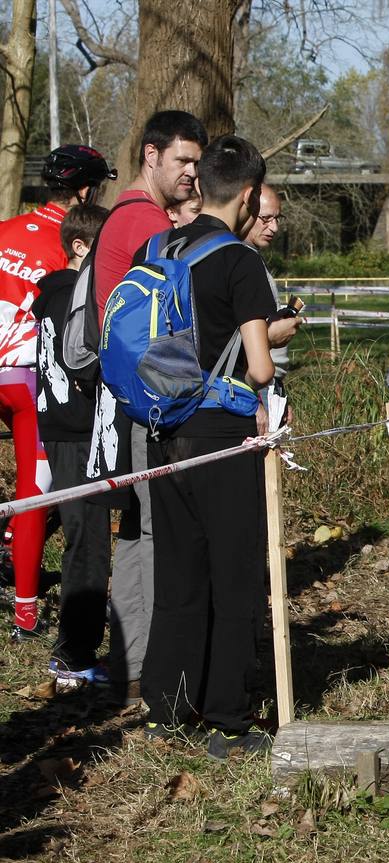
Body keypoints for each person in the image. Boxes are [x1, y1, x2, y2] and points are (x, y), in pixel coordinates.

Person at [137, 135, 277, 758]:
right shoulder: (239, 262)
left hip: (163, 427)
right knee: (234, 574)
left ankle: (167, 707)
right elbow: (261, 367)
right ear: (248, 195)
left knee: (180, 571)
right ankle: (226, 715)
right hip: (222, 435)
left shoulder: (161, 244)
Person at [89, 110, 207, 699]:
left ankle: (131, 667)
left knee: (139, 531)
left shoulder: (129, 219)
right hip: (148, 400)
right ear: (150, 155)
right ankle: (154, 671)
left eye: (197, 162)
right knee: (159, 531)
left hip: (129, 399)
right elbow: (168, 325)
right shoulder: (142, 225)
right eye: (182, 160)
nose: (191, 172)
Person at [0, 144, 115, 640]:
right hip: (31, 379)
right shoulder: (77, 245)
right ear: (86, 190)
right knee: (34, 489)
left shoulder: (4, 229)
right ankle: (26, 612)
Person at [34, 203, 111, 682]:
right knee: (87, 543)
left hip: (68, 430)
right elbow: (80, 366)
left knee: (86, 537)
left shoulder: (55, 294)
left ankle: (79, 645)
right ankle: (73, 654)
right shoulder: (69, 299)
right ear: (80, 247)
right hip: (75, 430)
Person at [243, 184, 304, 380]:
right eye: (266, 218)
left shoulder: (254, 257)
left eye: (277, 219)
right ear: (244, 211)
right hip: (252, 388)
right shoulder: (238, 262)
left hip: (269, 384)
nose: (275, 227)